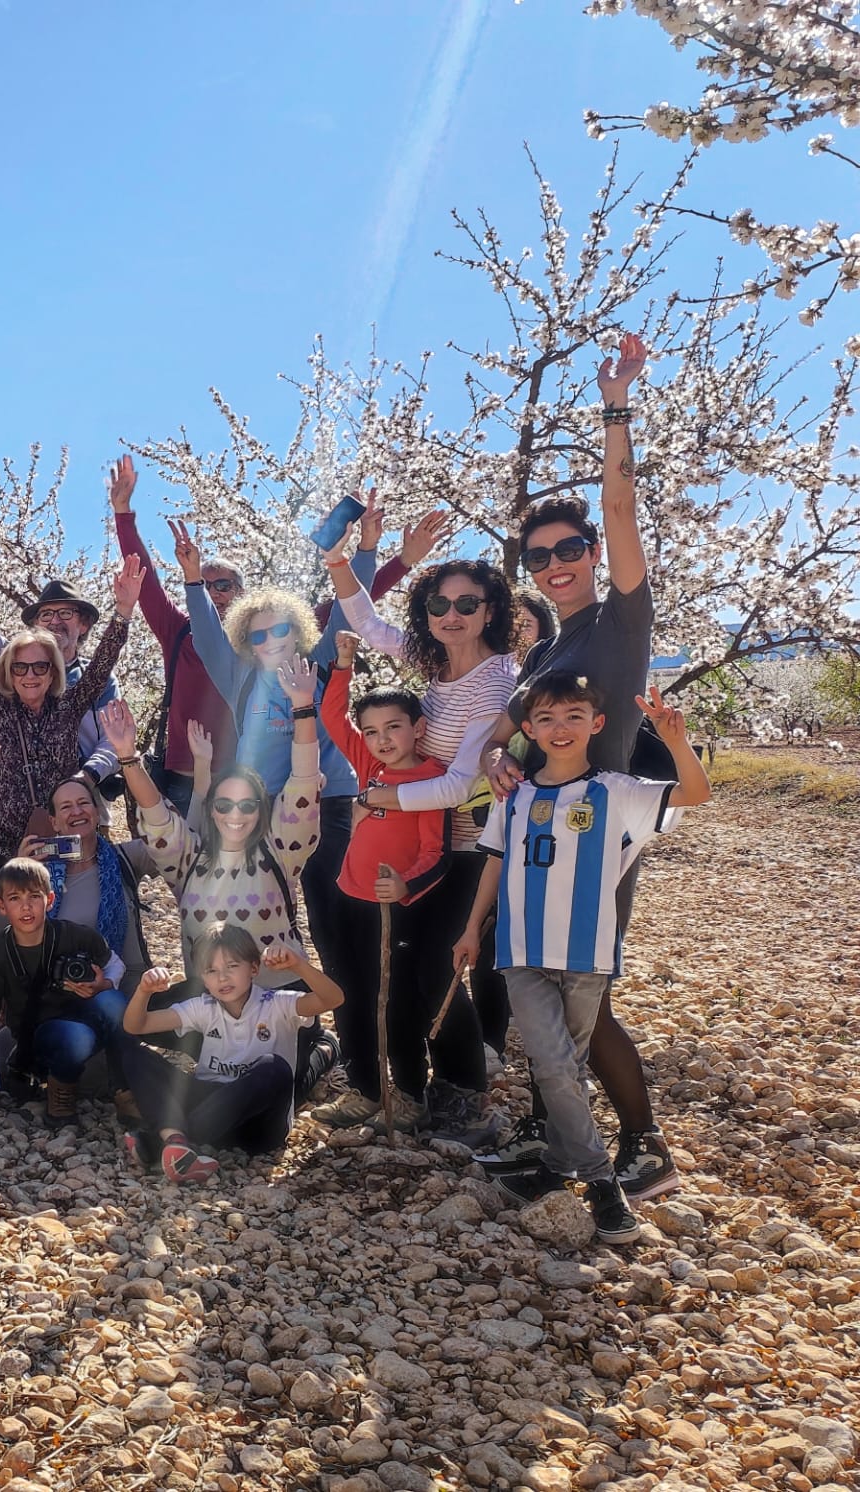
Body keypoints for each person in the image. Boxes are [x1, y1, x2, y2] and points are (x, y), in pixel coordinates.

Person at [475, 331, 679, 1199]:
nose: (555, 566)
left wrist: (616, 407)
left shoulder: (621, 623)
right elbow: (508, 730)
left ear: (593, 553)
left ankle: (645, 1145)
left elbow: (623, 509)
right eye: (540, 557)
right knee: (537, 985)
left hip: (600, 833)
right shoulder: (544, 651)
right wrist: (497, 753)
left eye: (570, 550)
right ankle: (551, 1132)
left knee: (583, 992)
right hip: (538, 837)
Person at [453, 674, 711, 1242]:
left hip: (586, 954)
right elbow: (494, 860)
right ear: (528, 729)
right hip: (521, 950)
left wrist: (676, 741)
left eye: (574, 715)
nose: (560, 728)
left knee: (565, 1067)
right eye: (546, 718)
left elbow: (694, 794)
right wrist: (471, 929)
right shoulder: (513, 794)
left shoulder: (616, 790)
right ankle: (600, 1181)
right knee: (551, 1064)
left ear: (596, 723)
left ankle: (557, 1162)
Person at [108, 457, 440, 812]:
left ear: (242, 593)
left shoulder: (286, 633)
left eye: (224, 585)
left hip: (265, 781)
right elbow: (144, 582)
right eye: (205, 586)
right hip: (188, 776)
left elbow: (352, 606)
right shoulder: (183, 632)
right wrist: (123, 514)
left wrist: (396, 558)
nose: (214, 592)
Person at [326, 544, 520, 1107]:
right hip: (424, 845)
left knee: (439, 970)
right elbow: (369, 624)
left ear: (490, 610)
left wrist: (377, 797)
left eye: (466, 604)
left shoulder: (495, 683)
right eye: (439, 604)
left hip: (468, 848)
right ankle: (414, 1089)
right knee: (407, 970)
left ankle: (465, 1092)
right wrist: (339, 562)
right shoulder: (437, 664)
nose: (451, 615)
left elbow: (457, 786)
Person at [171, 515, 372, 985]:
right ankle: (265, 997)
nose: (270, 642)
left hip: (328, 799)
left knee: (332, 910)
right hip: (260, 806)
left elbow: (349, 610)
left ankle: (339, 997)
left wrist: (364, 551)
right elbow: (206, 634)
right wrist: (193, 579)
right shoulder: (238, 676)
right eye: (258, 635)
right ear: (246, 641)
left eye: (280, 631)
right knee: (263, 904)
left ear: (297, 631)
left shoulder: (319, 663)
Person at [309, 634, 466, 1133]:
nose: (382, 739)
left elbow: (436, 854)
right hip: (350, 899)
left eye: (394, 727)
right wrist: (343, 664)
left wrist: (405, 887)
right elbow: (333, 717)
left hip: (396, 908)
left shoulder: (434, 781)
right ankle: (365, 1089)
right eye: (372, 731)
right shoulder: (371, 768)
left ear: (418, 728)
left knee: (396, 1003)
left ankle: (411, 1093)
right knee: (350, 994)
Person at [0, 550, 142, 869]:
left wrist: (123, 611)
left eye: (40, 667)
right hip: (6, 841)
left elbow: (102, 662)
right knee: (10, 902)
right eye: (20, 668)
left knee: (64, 898)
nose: (30, 675)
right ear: (9, 672)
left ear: (53, 672)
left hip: (62, 838)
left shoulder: (69, 706)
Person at [117, 926, 345, 1180]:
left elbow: (333, 999)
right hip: (210, 1101)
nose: (222, 978)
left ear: (254, 968)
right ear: (203, 979)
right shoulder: (202, 1007)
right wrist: (144, 991)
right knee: (136, 1056)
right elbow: (136, 1026)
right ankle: (176, 1141)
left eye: (232, 966)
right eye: (211, 971)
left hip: (258, 1128)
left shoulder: (277, 1003)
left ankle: (165, 1141)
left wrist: (298, 965)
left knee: (274, 1067)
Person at [13, 699, 195, 1001]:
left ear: (97, 814)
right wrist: (20, 877)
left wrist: (128, 758)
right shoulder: (40, 876)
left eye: (84, 803)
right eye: (66, 807)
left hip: (125, 990)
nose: (76, 811)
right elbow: (6, 927)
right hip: (58, 993)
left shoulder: (125, 859)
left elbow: (170, 835)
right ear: (54, 822)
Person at [0, 512, 123, 790]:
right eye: (46, 614)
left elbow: (113, 738)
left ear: (83, 624)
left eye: (66, 613)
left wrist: (87, 776)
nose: (55, 621)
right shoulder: (13, 662)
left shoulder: (96, 681)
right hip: (10, 796)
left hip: (82, 794)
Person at [0, 856, 131, 1127]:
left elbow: (115, 964)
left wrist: (103, 985)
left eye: (34, 896)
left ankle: (125, 1089)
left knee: (114, 1001)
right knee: (76, 1037)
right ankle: (60, 1093)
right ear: (0, 906)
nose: (26, 906)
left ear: (50, 900)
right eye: (15, 898)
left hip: (83, 1016)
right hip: (41, 1037)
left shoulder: (73, 935)